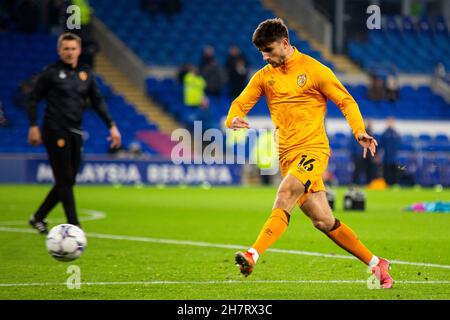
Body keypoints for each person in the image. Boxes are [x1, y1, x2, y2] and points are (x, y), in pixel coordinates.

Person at [226, 18, 393, 288]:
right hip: (287, 156)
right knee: (323, 220)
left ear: (285, 43)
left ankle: (251, 254)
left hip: (313, 150)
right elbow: (239, 103)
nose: (265, 57)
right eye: (262, 53)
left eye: (269, 51)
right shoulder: (264, 77)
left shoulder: (314, 70)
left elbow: (345, 100)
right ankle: (377, 263)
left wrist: (358, 131)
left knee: (285, 193)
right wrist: (233, 119)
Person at [26, 32, 121, 234]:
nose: (69, 52)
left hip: (75, 131)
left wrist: (111, 125)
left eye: (73, 48)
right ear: (59, 50)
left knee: (68, 181)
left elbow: (97, 101)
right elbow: (32, 98)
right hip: (54, 129)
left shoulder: (86, 74)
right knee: (65, 178)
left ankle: (38, 217)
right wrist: (34, 126)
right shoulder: (51, 72)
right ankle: (74, 226)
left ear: (79, 50)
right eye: (65, 49)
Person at [381, 117, 401, 185]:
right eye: (389, 122)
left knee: (394, 171)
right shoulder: (384, 133)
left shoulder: (396, 133)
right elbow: (381, 144)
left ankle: (395, 184)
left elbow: (399, 144)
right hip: (386, 156)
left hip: (394, 156)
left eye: (391, 122)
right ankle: (387, 184)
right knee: (387, 171)